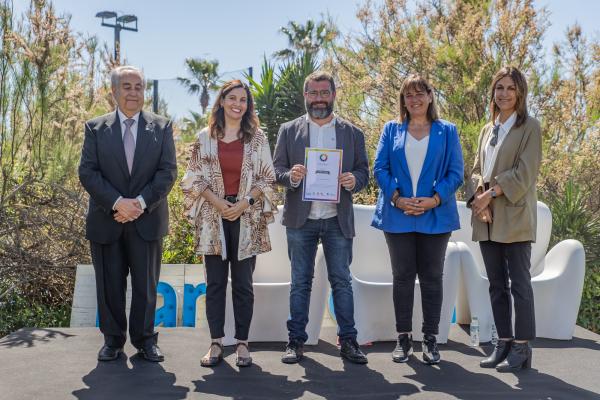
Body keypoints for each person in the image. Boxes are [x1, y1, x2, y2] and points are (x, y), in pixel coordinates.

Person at [79, 66, 177, 362]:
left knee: (147, 287)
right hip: (106, 221)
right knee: (110, 286)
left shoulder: (162, 127)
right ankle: (113, 341)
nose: (133, 92)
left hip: (147, 220)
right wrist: (118, 202)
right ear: (114, 91)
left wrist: (139, 204)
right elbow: (88, 172)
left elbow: (167, 172)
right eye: (127, 86)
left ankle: (146, 341)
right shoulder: (95, 128)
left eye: (138, 86)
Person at [273, 71, 370, 365]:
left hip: (336, 220)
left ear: (334, 94)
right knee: (300, 282)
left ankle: (349, 341)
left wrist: (354, 179)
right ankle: (295, 341)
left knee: (342, 281)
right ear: (306, 96)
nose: (318, 99)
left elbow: (365, 172)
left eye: (324, 93)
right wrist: (291, 176)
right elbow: (276, 171)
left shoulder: (352, 133)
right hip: (301, 220)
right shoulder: (289, 130)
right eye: (313, 93)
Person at [181, 80, 276, 368]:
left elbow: (267, 178)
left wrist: (244, 202)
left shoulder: (257, 138)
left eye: (243, 100)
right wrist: (218, 203)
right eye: (232, 98)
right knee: (215, 284)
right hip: (213, 217)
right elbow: (193, 178)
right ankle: (216, 343)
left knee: (244, 284)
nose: (238, 104)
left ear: (248, 106)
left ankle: (243, 344)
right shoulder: (204, 137)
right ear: (221, 101)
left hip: (247, 216)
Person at [371, 74, 464, 364]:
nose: (415, 99)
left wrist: (434, 199)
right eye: (408, 95)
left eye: (420, 93)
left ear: (430, 95)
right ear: (403, 100)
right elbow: (380, 168)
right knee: (402, 278)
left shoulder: (447, 131)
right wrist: (397, 198)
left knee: (432, 278)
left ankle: (431, 339)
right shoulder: (391, 129)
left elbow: (455, 172)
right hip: (397, 215)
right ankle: (403, 339)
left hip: (435, 215)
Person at [468, 66, 542, 372]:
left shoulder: (530, 127)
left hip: (514, 217)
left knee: (519, 284)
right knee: (496, 285)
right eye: (499, 87)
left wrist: (491, 194)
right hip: (486, 218)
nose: (504, 93)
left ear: (520, 93)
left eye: (510, 88)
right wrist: (479, 199)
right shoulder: (487, 129)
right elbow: (474, 170)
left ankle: (522, 348)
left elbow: (525, 173)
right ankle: (503, 343)